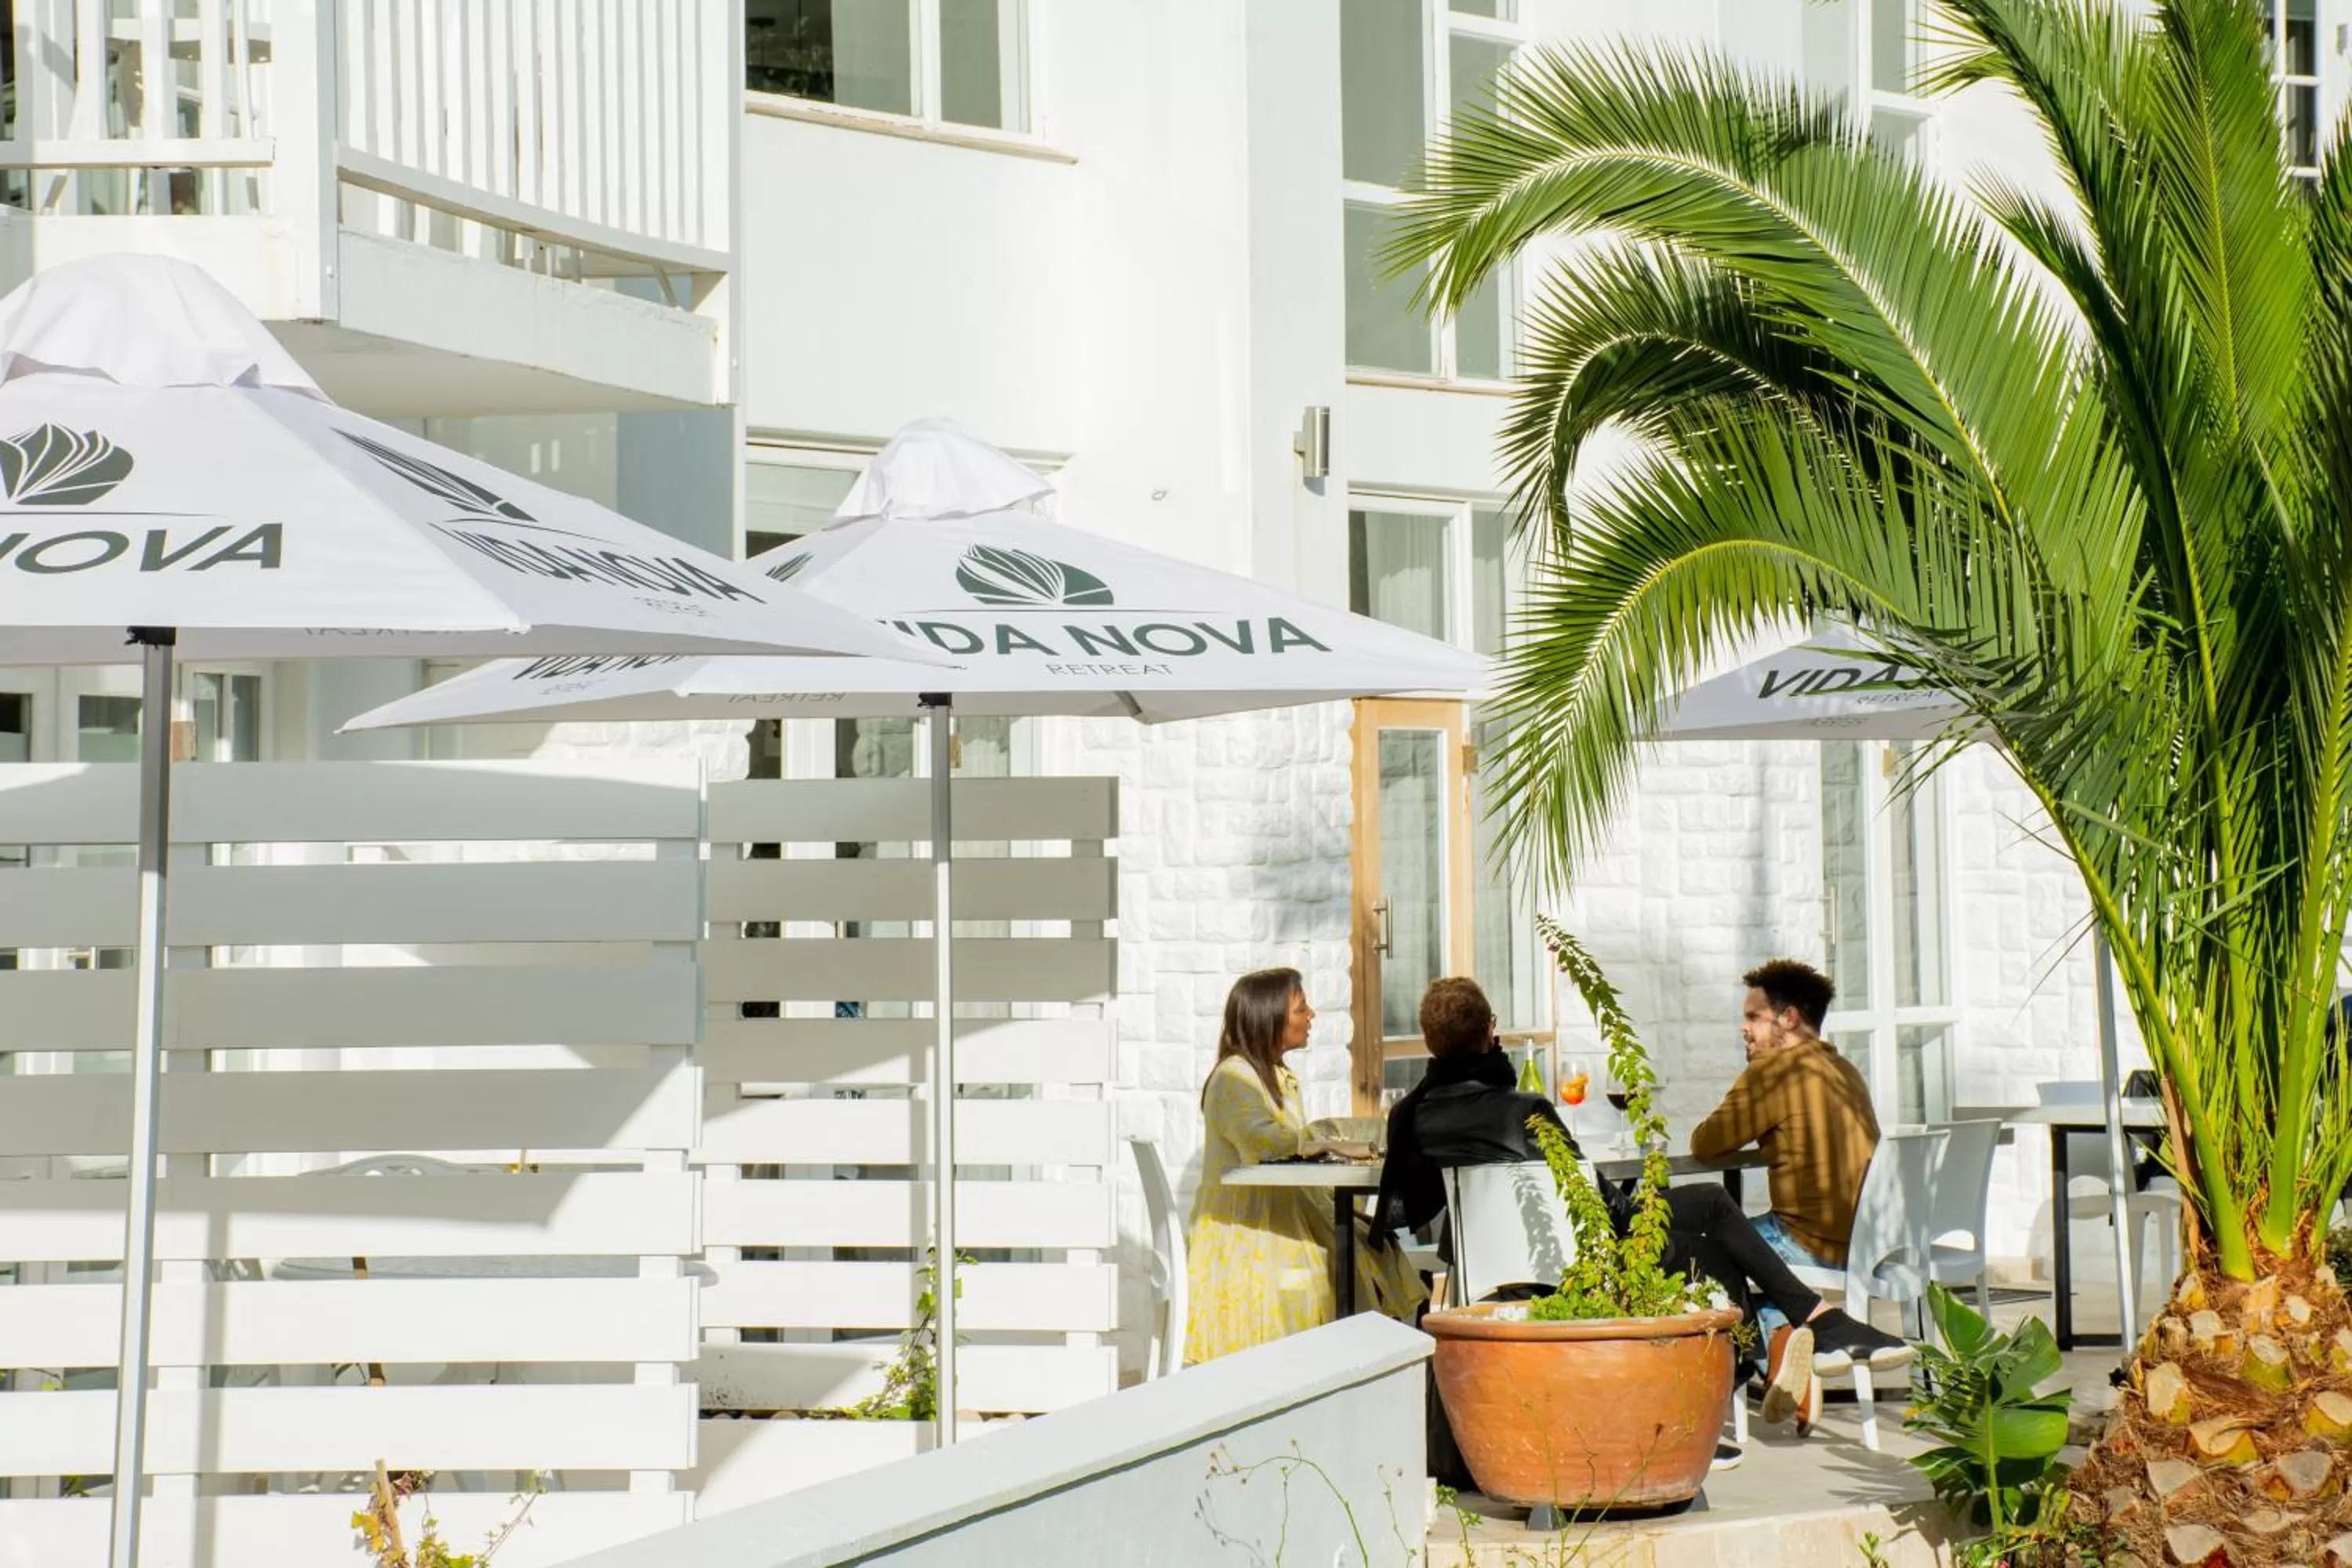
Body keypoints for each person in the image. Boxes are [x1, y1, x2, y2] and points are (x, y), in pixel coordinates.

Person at [1375, 976, 1904, 1430]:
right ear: (1490, 1031)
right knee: (1712, 1231)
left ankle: (1782, 1341)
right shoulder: (1523, 1110)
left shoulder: (1414, 1117)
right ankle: (1772, 1353)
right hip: (1583, 1254)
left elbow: (1415, 1203)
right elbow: (1595, 1202)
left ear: (1431, 1043)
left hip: (1487, 1265)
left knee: (1713, 1219)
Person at [1182, 967, 1426, 1363]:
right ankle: (1326, 1368)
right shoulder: (1233, 1078)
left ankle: (1358, 1369)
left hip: (1279, 1214)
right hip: (1248, 1230)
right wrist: (1325, 1143)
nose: (1311, 1015)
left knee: (1373, 1246)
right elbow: (1264, 1143)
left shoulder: (1274, 1075)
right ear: (1270, 1018)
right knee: (1330, 1268)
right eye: (1301, 1008)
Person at [1691, 958, 1886, 1384]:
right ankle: (1789, 1352)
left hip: (1807, 1241)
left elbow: (1706, 1144)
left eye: (1753, 1018)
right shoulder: (1844, 1069)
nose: (1744, 1029)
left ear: (1789, 1019)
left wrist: (1755, 1072)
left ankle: (1776, 1356)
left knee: (1703, 1253)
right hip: (1868, 1240)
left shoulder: (1775, 1071)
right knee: (1738, 1248)